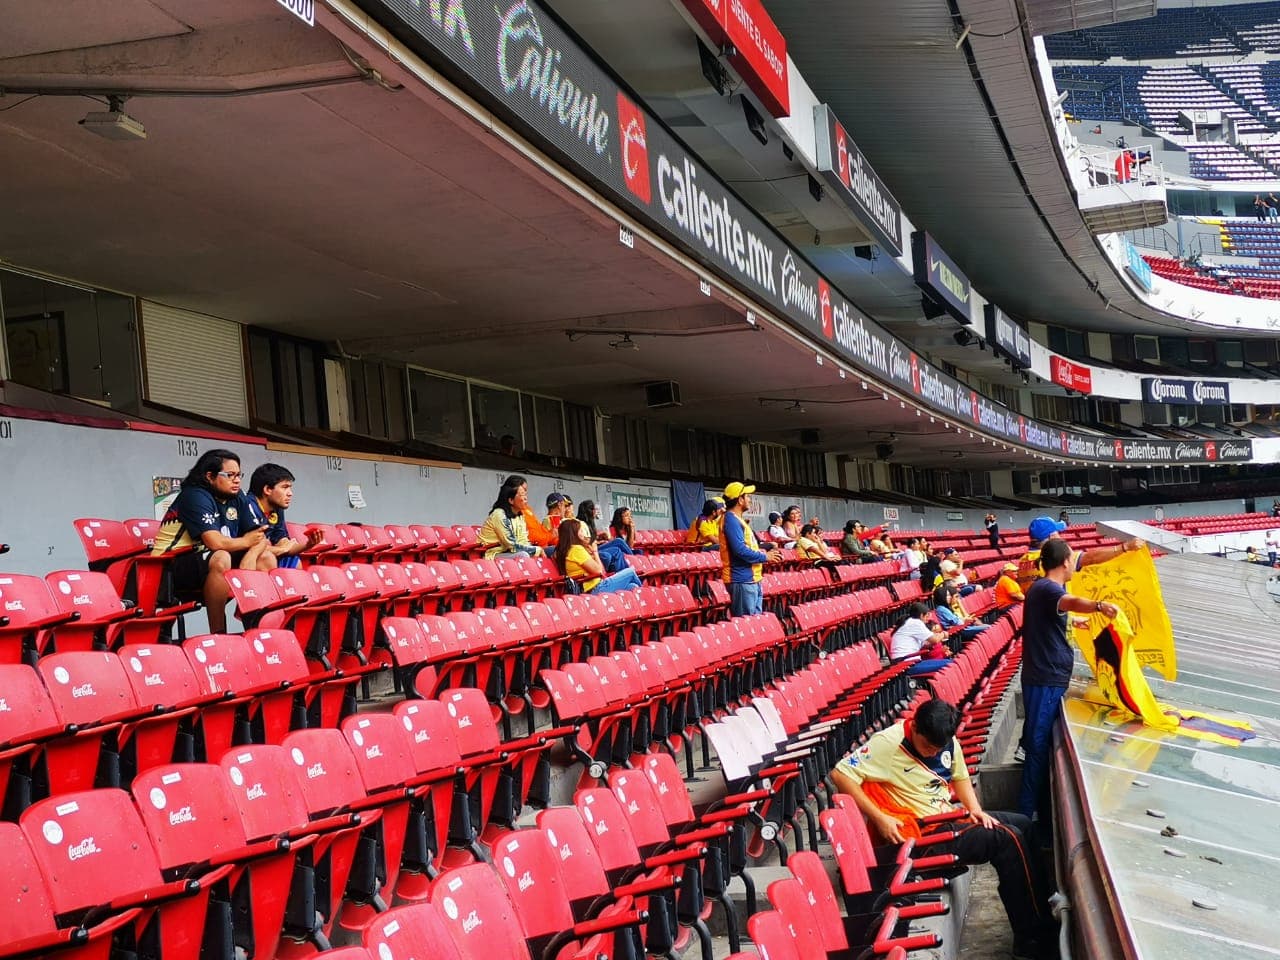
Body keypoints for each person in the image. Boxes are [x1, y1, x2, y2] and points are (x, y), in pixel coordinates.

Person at [832, 699, 1056, 959]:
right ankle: (1029, 939)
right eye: (927, 746)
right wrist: (880, 817)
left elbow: (960, 776)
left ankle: (1044, 908)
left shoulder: (947, 741)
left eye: (936, 748)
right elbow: (841, 774)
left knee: (1023, 824)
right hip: (922, 837)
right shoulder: (888, 742)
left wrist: (975, 810)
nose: (931, 753)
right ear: (914, 726)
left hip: (947, 818)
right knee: (1007, 839)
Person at [1019, 538, 1119, 827]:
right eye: (1072, 558)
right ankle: (1026, 815)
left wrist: (1076, 624)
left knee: (1038, 742)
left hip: (1046, 676)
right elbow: (1071, 602)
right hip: (1045, 679)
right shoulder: (1049, 589)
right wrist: (1099, 606)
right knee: (1037, 745)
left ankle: (1032, 810)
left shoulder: (1043, 590)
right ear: (1065, 562)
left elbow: (1056, 615)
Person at [151, 449, 272, 634]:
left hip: (205, 560)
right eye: (230, 475)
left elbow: (260, 535)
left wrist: (252, 555)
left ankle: (257, 631)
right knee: (221, 556)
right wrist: (247, 542)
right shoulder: (194, 495)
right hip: (169, 566)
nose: (237, 480)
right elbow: (214, 542)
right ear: (210, 476)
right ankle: (219, 634)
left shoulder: (237, 496)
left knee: (265, 558)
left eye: (239, 475)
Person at [1015, 516, 1144, 592]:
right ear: (1052, 536)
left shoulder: (1023, 562)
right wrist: (1125, 547)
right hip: (1056, 622)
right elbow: (1091, 558)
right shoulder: (1053, 558)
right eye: (1057, 533)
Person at [719, 481, 782, 618]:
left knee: (755, 622)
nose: (750, 500)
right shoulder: (731, 520)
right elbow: (740, 550)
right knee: (746, 624)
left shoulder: (737, 519)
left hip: (752, 579)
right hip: (742, 579)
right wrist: (765, 557)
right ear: (740, 500)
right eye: (747, 496)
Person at [244, 463, 323, 570]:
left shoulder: (276, 507)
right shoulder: (247, 505)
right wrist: (280, 549)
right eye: (285, 487)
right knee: (266, 558)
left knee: (293, 561)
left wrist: (309, 544)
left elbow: (284, 543)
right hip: (242, 559)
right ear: (267, 489)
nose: (290, 493)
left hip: (266, 554)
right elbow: (249, 546)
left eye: (290, 488)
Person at [554, 518, 642, 594]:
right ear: (573, 534)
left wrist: (593, 552)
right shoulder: (576, 549)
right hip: (595, 588)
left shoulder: (564, 550)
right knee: (630, 572)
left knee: (632, 586)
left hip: (596, 586)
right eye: (581, 531)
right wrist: (595, 551)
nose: (583, 534)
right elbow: (599, 571)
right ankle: (647, 596)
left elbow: (602, 572)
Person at [478, 475, 544, 559]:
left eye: (525, 494)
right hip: (494, 554)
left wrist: (535, 550)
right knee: (523, 555)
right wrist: (536, 550)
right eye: (522, 495)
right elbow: (511, 545)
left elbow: (523, 540)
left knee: (550, 551)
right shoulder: (499, 514)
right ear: (511, 500)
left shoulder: (519, 515)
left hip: (509, 552)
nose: (526, 498)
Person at [888, 603, 951, 675]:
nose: (928, 619)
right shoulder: (915, 623)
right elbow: (935, 640)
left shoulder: (910, 622)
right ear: (921, 615)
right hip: (906, 664)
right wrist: (943, 634)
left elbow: (926, 644)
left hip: (910, 661)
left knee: (950, 662)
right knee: (950, 664)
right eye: (927, 616)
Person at [579, 500, 632, 572]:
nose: (595, 511)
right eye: (594, 509)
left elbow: (591, 540)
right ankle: (633, 560)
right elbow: (586, 543)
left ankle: (626, 572)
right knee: (618, 542)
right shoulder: (581, 524)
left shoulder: (590, 523)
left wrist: (599, 539)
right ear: (589, 511)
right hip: (590, 550)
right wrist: (597, 542)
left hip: (596, 547)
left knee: (620, 550)